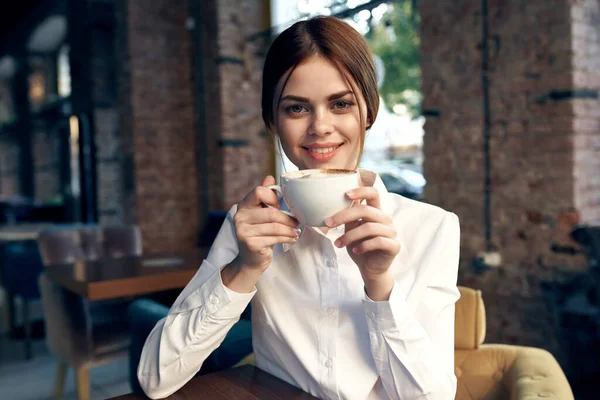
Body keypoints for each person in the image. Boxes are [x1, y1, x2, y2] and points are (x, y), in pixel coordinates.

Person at [138, 16, 460, 400]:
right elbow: (154, 378)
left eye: (340, 104)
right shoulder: (249, 226)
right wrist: (243, 269)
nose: (320, 127)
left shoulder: (433, 228)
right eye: (296, 109)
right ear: (272, 121)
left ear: (369, 113)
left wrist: (379, 285)